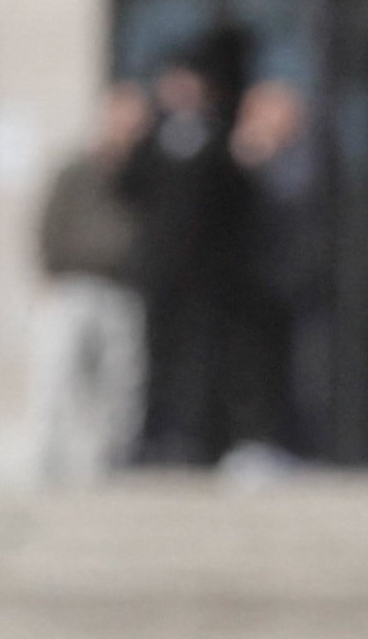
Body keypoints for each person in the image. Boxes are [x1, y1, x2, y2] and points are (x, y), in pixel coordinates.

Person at [120, 60, 244, 465]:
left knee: (202, 360)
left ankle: (197, 439)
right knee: (154, 358)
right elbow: (126, 192)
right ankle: (152, 438)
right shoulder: (150, 143)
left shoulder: (218, 142)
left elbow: (233, 205)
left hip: (205, 274)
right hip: (159, 273)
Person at [33, 82, 149, 479]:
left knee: (120, 381)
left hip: (121, 287)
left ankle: (109, 461)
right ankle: (50, 462)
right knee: (59, 376)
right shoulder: (77, 169)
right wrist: (49, 269)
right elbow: (50, 221)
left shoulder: (142, 172)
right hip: (75, 283)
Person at [228, 78, 334, 460]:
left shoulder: (307, 159)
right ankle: (258, 442)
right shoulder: (234, 162)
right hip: (253, 289)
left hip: (299, 285)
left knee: (305, 372)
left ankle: (302, 446)